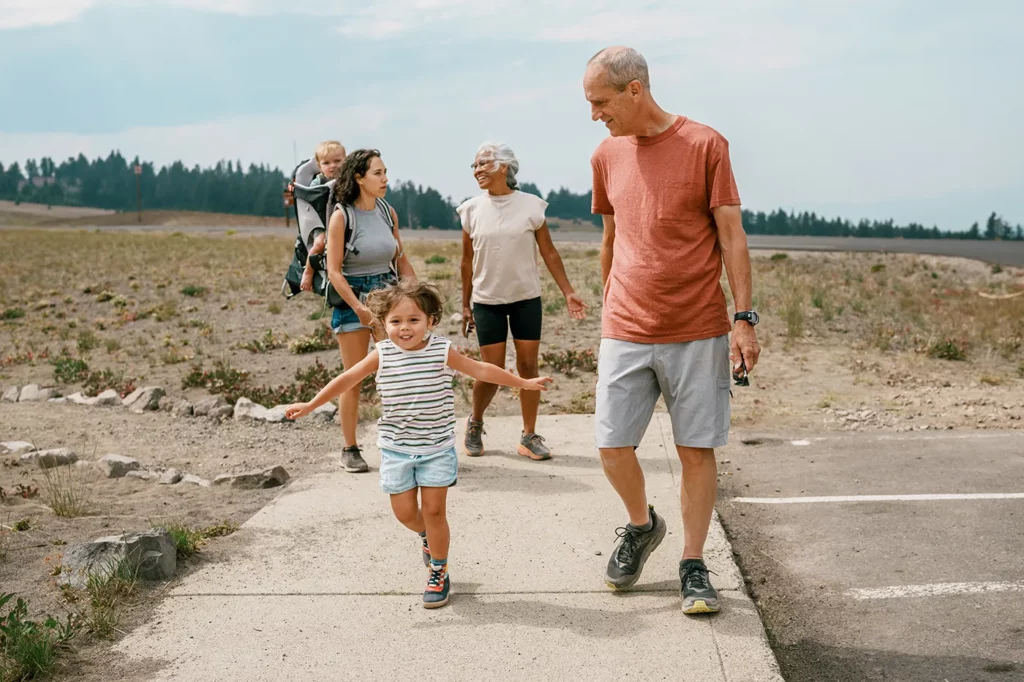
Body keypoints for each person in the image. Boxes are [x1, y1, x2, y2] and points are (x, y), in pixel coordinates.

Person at [584, 46, 761, 614]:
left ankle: (692, 563)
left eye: (601, 101)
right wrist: (610, 303)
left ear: (635, 89)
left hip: (697, 328)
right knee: (612, 445)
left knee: (695, 451)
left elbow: (732, 235)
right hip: (627, 325)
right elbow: (611, 238)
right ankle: (642, 525)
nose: (595, 114)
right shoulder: (605, 154)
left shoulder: (706, 145)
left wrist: (743, 319)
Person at [285, 281, 553, 609]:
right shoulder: (381, 353)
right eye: (396, 321)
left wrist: (523, 382)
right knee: (405, 514)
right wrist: (311, 404)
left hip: (437, 448)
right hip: (396, 449)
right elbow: (346, 380)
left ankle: (438, 571)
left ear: (431, 321)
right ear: (383, 323)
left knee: (435, 511)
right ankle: (427, 537)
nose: (405, 328)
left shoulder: (441, 350)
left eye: (414, 320)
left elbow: (480, 368)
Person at [457, 142, 588, 461]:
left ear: (504, 167)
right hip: (487, 300)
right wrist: (465, 304)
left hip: (526, 299)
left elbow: (550, 252)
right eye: (474, 166)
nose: (477, 170)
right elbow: (465, 262)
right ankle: (475, 422)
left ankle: (529, 435)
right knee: (491, 369)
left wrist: (569, 292)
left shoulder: (531, 206)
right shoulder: (471, 209)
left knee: (528, 367)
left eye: (483, 164)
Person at [326, 149, 416, 473]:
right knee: (354, 378)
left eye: (385, 172)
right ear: (359, 178)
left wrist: (417, 300)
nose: (385, 179)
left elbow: (401, 259)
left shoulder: (387, 212)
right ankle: (350, 448)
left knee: (398, 375)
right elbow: (334, 271)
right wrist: (360, 309)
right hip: (352, 301)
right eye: (378, 173)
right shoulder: (342, 217)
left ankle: (404, 443)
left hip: (390, 300)